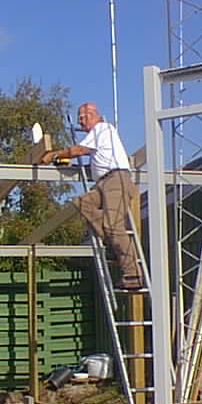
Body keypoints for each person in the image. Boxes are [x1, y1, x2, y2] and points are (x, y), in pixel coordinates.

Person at [41, 102, 142, 289]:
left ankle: (133, 274)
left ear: (92, 115)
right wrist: (69, 165)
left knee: (113, 225)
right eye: (79, 118)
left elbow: (79, 150)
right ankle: (114, 246)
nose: (80, 122)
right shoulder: (99, 139)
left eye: (82, 117)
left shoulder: (103, 128)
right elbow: (95, 162)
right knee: (82, 203)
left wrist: (55, 155)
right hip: (104, 182)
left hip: (116, 180)